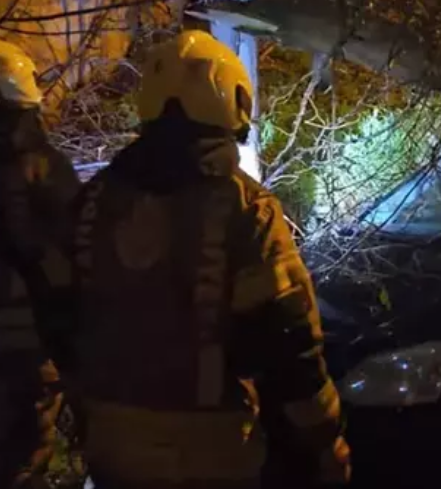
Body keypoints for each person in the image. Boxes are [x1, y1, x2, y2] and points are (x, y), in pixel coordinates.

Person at [54, 30, 350, 489]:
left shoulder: (92, 202)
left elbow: (61, 323)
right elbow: (292, 348)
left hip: (111, 451)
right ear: (233, 105)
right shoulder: (246, 209)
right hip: (211, 456)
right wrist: (327, 453)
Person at [0, 37, 80, 488]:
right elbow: (73, 258)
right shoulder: (44, 169)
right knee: (21, 467)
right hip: (26, 354)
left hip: (25, 351)